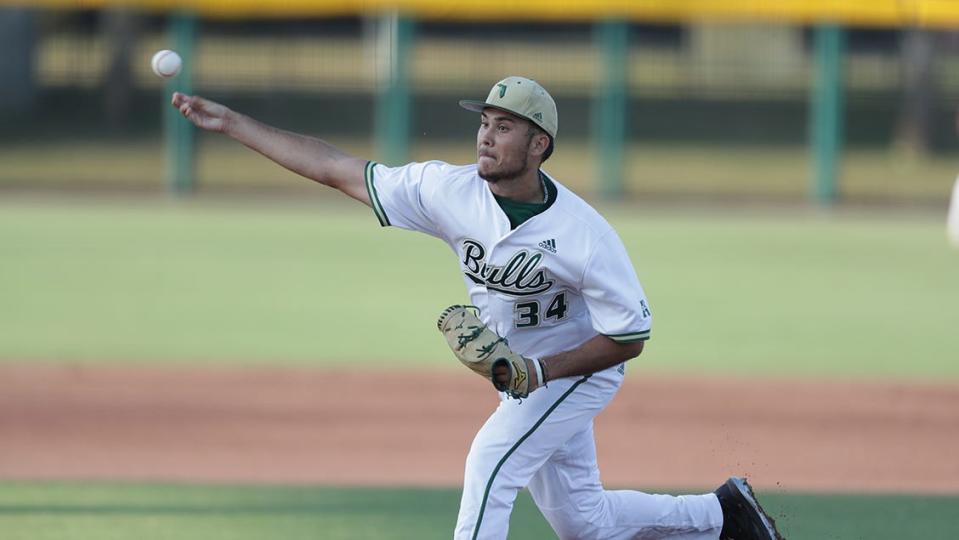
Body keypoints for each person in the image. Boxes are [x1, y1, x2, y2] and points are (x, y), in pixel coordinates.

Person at [172, 76, 784, 540]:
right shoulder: (450, 191)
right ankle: (723, 514)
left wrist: (540, 373)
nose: (486, 135)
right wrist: (235, 125)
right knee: (584, 524)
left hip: (580, 370)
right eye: (484, 122)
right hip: (520, 374)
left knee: (491, 463)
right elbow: (338, 170)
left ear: (539, 144)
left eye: (504, 126)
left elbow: (631, 337)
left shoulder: (584, 235)